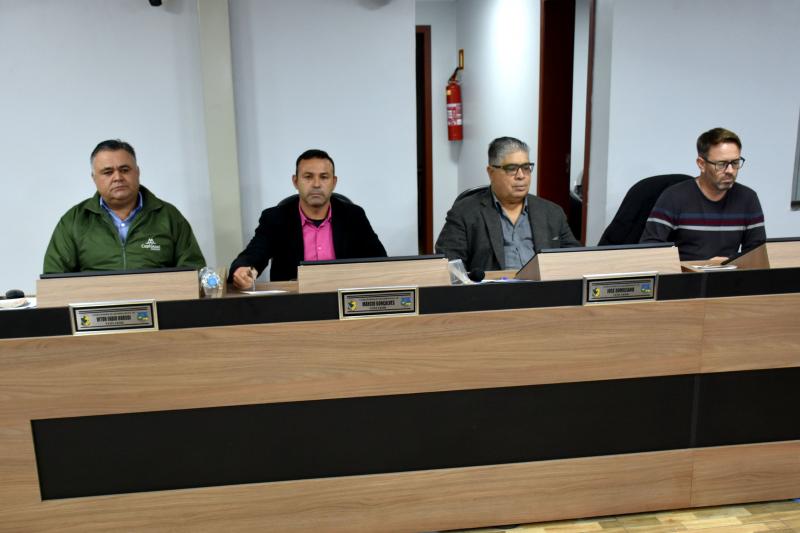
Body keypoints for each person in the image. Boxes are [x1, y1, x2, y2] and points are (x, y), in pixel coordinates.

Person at [43, 139, 206, 273]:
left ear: (137, 172)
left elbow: (193, 271)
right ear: (94, 178)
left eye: (125, 169)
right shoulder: (74, 221)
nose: (118, 177)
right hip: (95, 303)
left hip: (159, 302)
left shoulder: (168, 216)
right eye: (108, 172)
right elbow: (54, 279)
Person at [229, 149, 386, 287]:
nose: (316, 184)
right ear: (295, 181)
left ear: (334, 182)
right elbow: (254, 254)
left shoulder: (353, 216)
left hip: (343, 301)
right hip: (293, 303)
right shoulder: (276, 218)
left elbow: (381, 262)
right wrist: (243, 270)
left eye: (324, 177)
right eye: (308, 177)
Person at [435, 136, 580, 272]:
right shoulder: (465, 212)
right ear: (491, 172)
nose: (521, 176)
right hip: (492, 289)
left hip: (543, 288)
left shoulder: (552, 212)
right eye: (511, 168)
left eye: (526, 167)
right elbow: (449, 264)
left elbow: (575, 259)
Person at [640, 127, 765, 261]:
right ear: (701, 164)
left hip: (730, 272)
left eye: (735, 163)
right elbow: (649, 252)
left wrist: (729, 263)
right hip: (685, 273)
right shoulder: (673, 197)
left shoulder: (748, 199)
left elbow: (758, 255)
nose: (730, 170)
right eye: (721, 164)